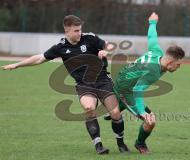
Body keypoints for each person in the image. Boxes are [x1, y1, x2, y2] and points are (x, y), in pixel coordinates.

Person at [1, 15, 129, 154]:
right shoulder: (61, 47)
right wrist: (17, 65)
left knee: (115, 113)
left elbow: (108, 45)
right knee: (89, 108)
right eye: (75, 31)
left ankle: (121, 143)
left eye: (80, 29)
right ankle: (98, 145)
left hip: (103, 81)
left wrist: (106, 51)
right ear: (66, 31)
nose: (79, 33)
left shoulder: (89, 38)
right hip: (84, 84)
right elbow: (39, 58)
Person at [105, 12, 185, 154]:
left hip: (125, 82)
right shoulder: (153, 70)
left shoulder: (157, 52)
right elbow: (138, 90)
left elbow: (152, 38)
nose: (179, 67)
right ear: (171, 62)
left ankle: (118, 105)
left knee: (144, 114)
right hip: (126, 90)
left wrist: (152, 23)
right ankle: (140, 144)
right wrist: (142, 111)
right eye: (178, 64)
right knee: (150, 120)